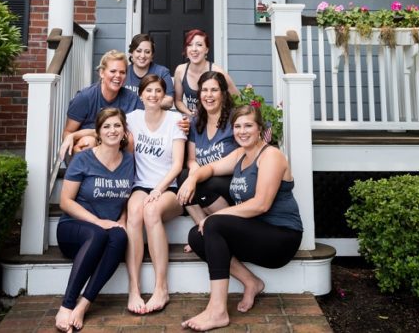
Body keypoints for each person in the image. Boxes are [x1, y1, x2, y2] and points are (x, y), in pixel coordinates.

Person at [179, 104, 303, 331]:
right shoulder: (239, 155)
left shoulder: (271, 156)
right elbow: (211, 169)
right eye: (237, 126)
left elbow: (261, 204)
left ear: (260, 130)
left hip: (281, 238)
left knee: (212, 224)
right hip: (256, 233)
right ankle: (251, 282)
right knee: (197, 236)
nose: (242, 131)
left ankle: (217, 311)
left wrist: (217, 216)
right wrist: (192, 178)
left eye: (248, 126)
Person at [55, 107, 135, 332]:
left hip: (107, 230)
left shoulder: (129, 161)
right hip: (73, 229)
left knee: (120, 236)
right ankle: (66, 305)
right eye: (106, 126)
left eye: (117, 125)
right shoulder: (82, 159)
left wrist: (122, 218)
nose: (112, 130)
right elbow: (66, 202)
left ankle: (83, 304)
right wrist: (98, 222)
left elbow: (129, 196)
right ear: (98, 132)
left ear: (124, 131)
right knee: (99, 233)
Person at [123, 74, 186, 315]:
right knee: (134, 214)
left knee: (151, 211)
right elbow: (103, 127)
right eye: (148, 91)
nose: (153, 95)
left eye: (158, 91)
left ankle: (161, 288)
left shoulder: (175, 120)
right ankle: (134, 288)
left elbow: (178, 165)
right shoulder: (131, 119)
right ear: (140, 95)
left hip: (168, 188)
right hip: (140, 185)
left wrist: (159, 189)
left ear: (164, 96)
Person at [177, 72, 238, 240]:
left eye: (214, 90)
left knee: (205, 184)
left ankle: (228, 228)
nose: (208, 95)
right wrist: (194, 169)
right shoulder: (196, 121)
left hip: (229, 181)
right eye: (204, 90)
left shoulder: (234, 119)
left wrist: (195, 177)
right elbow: (191, 159)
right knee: (183, 177)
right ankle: (204, 230)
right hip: (205, 180)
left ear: (223, 94)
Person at [60, 50, 142, 157]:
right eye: (113, 71)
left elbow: (142, 129)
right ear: (102, 73)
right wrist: (75, 147)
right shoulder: (85, 97)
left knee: (130, 138)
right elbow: (68, 132)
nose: (118, 76)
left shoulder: (132, 99)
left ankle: (126, 172)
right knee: (88, 142)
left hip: (117, 145)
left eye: (122, 72)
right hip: (87, 149)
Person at [173, 29, 239, 116]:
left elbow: (238, 100)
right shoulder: (180, 71)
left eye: (199, 45)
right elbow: (178, 101)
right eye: (190, 45)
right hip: (193, 122)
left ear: (206, 50)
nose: (194, 49)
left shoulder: (218, 72)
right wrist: (190, 114)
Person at [124, 33, 175, 110]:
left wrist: (139, 103)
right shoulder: (123, 72)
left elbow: (169, 101)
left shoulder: (162, 72)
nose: (142, 55)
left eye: (147, 52)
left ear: (152, 55)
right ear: (131, 53)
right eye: (138, 51)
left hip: (154, 118)